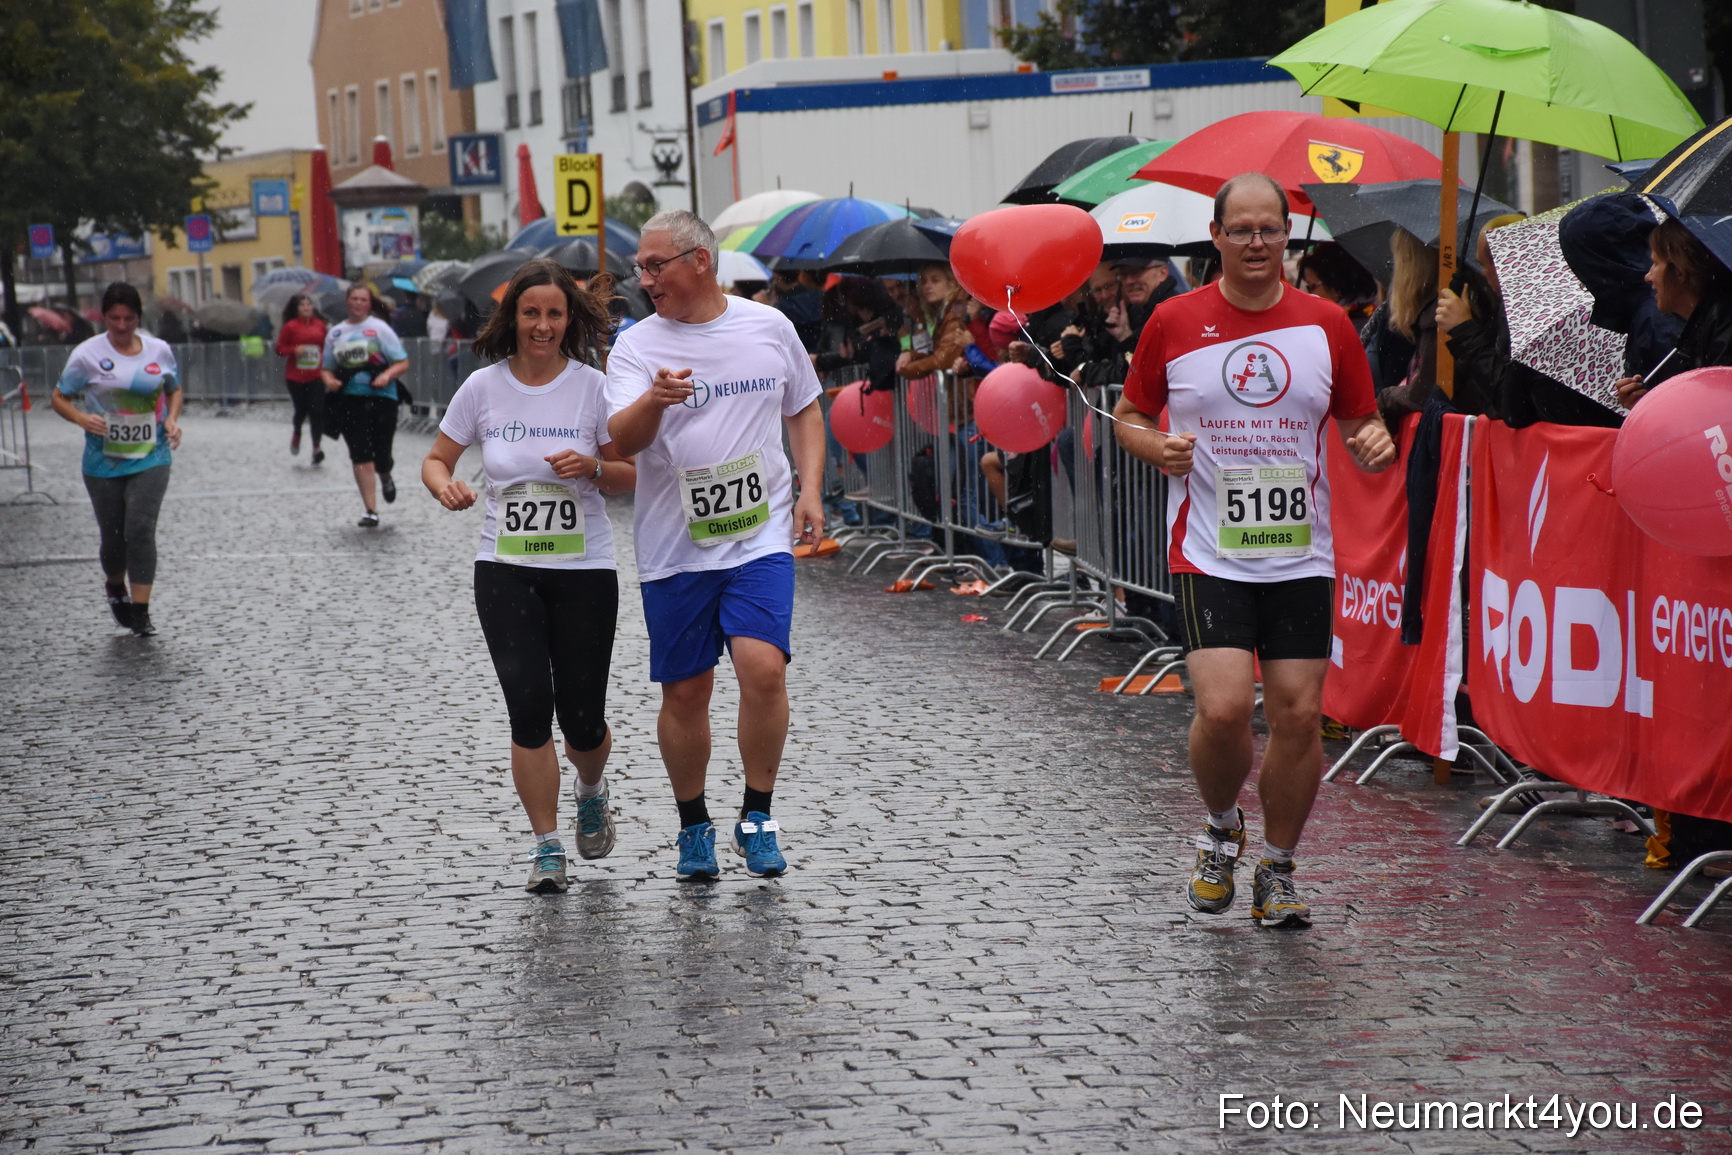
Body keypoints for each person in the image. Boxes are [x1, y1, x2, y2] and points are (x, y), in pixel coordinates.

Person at [1111, 173, 1395, 927]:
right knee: (1226, 707)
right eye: (1241, 229)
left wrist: (1373, 441)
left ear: (1287, 235)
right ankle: (1219, 827)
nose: (1257, 242)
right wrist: (1155, 446)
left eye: (1270, 228)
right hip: (1209, 550)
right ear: (1216, 237)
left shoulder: (1327, 326)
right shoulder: (1174, 320)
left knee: (1299, 715)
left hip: (1300, 554)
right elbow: (1129, 414)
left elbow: (1362, 420)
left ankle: (1278, 866)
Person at [605, 209, 826, 880]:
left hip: (760, 534)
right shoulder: (636, 346)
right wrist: (654, 400)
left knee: (764, 670)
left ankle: (757, 816)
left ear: (700, 260)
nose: (644, 280)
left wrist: (811, 489)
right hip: (675, 544)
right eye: (640, 268)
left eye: (655, 265)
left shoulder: (769, 326)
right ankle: (693, 824)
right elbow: (622, 440)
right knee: (686, 693)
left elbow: (804, 406)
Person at [421, 258, 636, 893]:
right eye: (531, 313)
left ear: (570, 320)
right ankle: (547, 846)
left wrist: (592, 467)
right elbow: (436, 459)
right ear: (512, 317)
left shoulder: (593, 388)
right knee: (528, 709)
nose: (543, 325)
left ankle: (590, 788)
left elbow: (629, 474)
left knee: (584, 719)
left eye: (554, 314)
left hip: (584, 569)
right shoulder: (482, 388)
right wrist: (445, 487)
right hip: (506, 568)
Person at [48, 282, 183, 637]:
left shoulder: (159, 350)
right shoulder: (87, 354)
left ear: (139, 317)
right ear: (104, 317)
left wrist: (172, 419)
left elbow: (174, 389)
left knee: (140, 528)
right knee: (113, 536)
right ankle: (114, 585)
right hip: (103, 461)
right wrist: (82, 419)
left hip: (152, 455)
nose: (122, 326)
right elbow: (58, 397)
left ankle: (141, 611)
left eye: (129, 318)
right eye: (114, 318)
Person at [1615, 218, 1732, 408]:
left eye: (1655, 263)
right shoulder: (1708, 325)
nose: (1648, 277)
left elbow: (1716, 416)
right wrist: (1646, 407)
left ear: (1679, 270)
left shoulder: (1723, 330)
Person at [321, 283, 409, 527]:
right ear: (347, 302)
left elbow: (402, 362)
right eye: (354, 299)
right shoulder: (335, 333)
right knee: (360, 453)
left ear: (369, 303)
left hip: (382, 398)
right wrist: (330, 380)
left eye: (363, 299)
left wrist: (386, 375)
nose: (358, 303)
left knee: (381, 453)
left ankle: (385, 474)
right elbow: (326, 368)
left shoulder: (380, 329)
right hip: (350, 400)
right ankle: (371, 510)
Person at [275, 294, 329, 464]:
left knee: (316, 411)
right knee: (301, 410)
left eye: (308, 304)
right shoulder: (290, 326)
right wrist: (294, 350)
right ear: (297, 309)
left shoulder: (320, 325)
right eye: (302, 305)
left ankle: (316, 448)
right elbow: (279, 348)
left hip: (316, 375)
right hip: (295, 376)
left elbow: (326, 346)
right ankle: (297, 432)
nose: (306, 308)